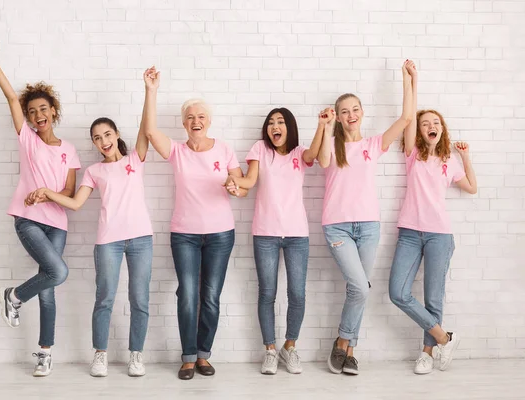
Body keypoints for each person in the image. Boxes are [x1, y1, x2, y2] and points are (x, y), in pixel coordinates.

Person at [29, 115, 153, 378]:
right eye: (97, 138)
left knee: (139, 299)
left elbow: (146, 125)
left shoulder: (135, 159)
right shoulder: (94, 171)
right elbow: (75, 203)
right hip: (108, 241)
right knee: (104, 298)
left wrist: (149, 90)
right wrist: (48, 192)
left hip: (141, 239)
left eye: (107, 135)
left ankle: (136, 355)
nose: (103, 141)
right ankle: (100, 354)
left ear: (117, 134)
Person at [0, 39, 80, 377]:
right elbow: (12, 97)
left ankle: (44, 352)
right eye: (32, 111)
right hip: (28, 220)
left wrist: (47, 194)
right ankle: (13, 296)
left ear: (54, 110)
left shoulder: (69, 148)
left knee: (50, 285)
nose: (38, 115)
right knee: (59, 272)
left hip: (57, 223)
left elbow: (68, 191)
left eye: (43, 109)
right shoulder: (27, 139)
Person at [142, 66, 243, 380]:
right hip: (184, 234)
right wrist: (151, 90)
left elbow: (240, 184)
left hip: (220, 235)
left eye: (200, 116)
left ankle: (203, 355)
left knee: (210, 295)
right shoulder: (177, 151)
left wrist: (234, 187)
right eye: (190, 117)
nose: (195, 121)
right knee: (187, 293)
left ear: (208, 121)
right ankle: (187, 356)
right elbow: (149, 132)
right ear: (184, 124)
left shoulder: (225, 149)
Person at [317, 60, 415, 376]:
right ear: (338, 116)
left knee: (357, 288)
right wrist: (324, 126)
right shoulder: (331, 143)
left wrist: (408, 79)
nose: (351, 114)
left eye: (355, 109)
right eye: (344, 111)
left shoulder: (373, 145)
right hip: (337, 225)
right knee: (360, 286)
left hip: (369, 227)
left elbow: (406, 118)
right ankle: (344, 340)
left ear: (362, 112)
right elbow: (320, 161)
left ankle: (348, 349)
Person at [224, 107, 334, 374]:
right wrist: (232, 181)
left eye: (281, 122)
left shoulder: (299, 153)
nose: (275, 126)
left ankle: (290, 346)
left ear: (290, 127)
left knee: (297, 293)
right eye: (271, 123)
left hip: (297, 234)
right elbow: (249, 180)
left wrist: (322, 125)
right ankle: (270, 351)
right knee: (267, 293)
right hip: (265, 233)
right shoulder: (260, 149)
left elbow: (316, 156)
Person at [389, 62, 477, 374]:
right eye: (426, 122)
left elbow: (471, 188)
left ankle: (427, 352)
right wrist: (411, 80)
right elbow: (409, 116)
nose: (430, 124)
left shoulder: (448, 160)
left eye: (435, 121)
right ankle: (444, 337)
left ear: (441, 129)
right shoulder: (413, 153)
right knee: (397, 292)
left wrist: (465, 156)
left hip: (440, 235)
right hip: (410, 233)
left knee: (432, 297)